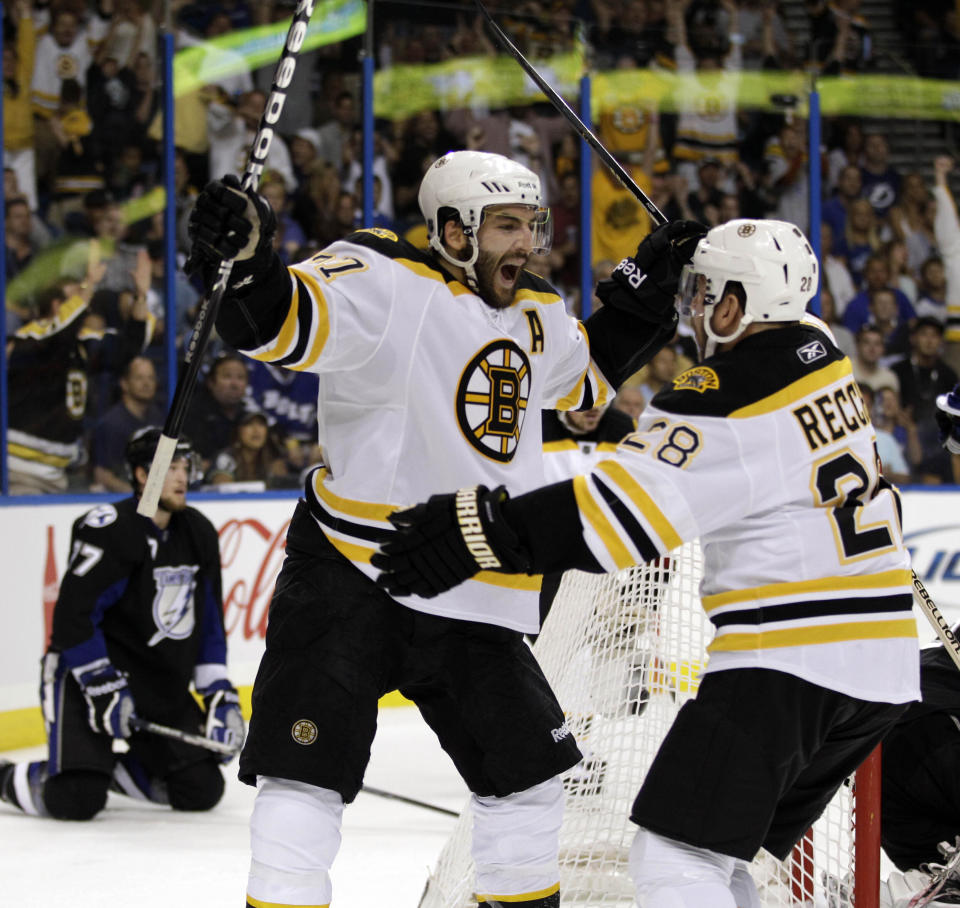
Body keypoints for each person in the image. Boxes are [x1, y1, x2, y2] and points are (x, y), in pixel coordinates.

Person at [184, 150, 706, 908]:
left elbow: (584, 366)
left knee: (530, 784)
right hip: (352, 571)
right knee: (305, 784)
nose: (526, 241)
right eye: (506, 226)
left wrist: (646, 289)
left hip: (472, 580)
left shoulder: (534, 309)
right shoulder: (379, 274)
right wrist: (248, 259)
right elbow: (278, 319)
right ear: (454, 230)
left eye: (532, 223)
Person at [373, 218, 921, 908]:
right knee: (723, 858)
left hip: (790, 659)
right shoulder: (825, 354)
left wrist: (482, 530)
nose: (695, 309)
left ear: (733, 308)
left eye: (706, 294)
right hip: (881, 663)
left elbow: (617, 518)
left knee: (672, 860)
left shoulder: (725, 393)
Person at [0, 427, 244, 821]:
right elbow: (72, 618)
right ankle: (24, 776)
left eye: (186, 467)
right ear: (142, 476)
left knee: (200, 788)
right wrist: (102, 683)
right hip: (85, 677)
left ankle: (97, 769)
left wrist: (218, 694)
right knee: (76, 798)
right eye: (171, 468)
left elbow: (210, 624)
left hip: (154, 683)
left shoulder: (199, 532)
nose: (182, 477)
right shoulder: (110, 528)